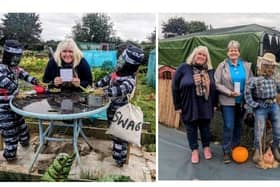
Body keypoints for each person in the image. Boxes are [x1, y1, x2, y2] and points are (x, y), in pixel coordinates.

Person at [95, 45, 144, 167]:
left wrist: (105, 92)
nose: (119, 61)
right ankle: (118, 154)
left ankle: (119, 159)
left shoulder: (130, 80)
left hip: (121, 114)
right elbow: (106, 79)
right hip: (111, 111)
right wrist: (97, 85)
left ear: (128, 64)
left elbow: (121, 89)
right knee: (114, 133)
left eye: (122, 59)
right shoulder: (116, 74)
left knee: (120, 136)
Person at [172, 46, 216, 164]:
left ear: (207, 58)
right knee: (191, 128)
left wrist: (215, 104)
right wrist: (177, 106)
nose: (201, 56)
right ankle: (194, 150)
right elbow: (175, 87)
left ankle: (206, 147)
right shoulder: (184, 68)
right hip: (189, 104)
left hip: (205, 104)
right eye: (199, 54)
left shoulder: (210, 71)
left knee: (205, 128)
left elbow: (213, 89)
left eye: (204, 55)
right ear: (194, 56)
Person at [0, 40, 41, 161]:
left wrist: (37, 81)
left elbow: (26, 75)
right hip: (2, 107)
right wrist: (16, 91)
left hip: (14, 103)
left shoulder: (16, 69)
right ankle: (10, 157)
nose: (16, 59)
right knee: (10, 132)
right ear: (7, 55)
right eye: (14, 56)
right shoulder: (1, 68)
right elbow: (4, 82)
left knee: (22, 126)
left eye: (18, 56)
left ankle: (25, 143)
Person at [214, 40, 253, 164]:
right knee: (229, 125)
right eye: (231, 50)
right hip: (227, 101)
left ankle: (235, 148)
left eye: (235, 50)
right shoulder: (222, 66)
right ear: (227, 53)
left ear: (239, 52)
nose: (233, 52)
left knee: (238, 125)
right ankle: (226, 151)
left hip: (242, 102)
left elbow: (251, 81)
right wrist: (229, 92)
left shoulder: (246, 66)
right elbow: (217, 83)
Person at [245, 52, 280, 163]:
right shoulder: (255, 80)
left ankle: (274, 147)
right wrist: (254, 105)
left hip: (273, 105)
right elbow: (247, 92)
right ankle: (257, 149)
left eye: (272, 66)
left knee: (278, 127)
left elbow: (278, 90)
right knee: (259, 129)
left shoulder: (275, 79)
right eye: (267, 65)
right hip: (261, 105)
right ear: (263, 65)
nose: (270, 68)